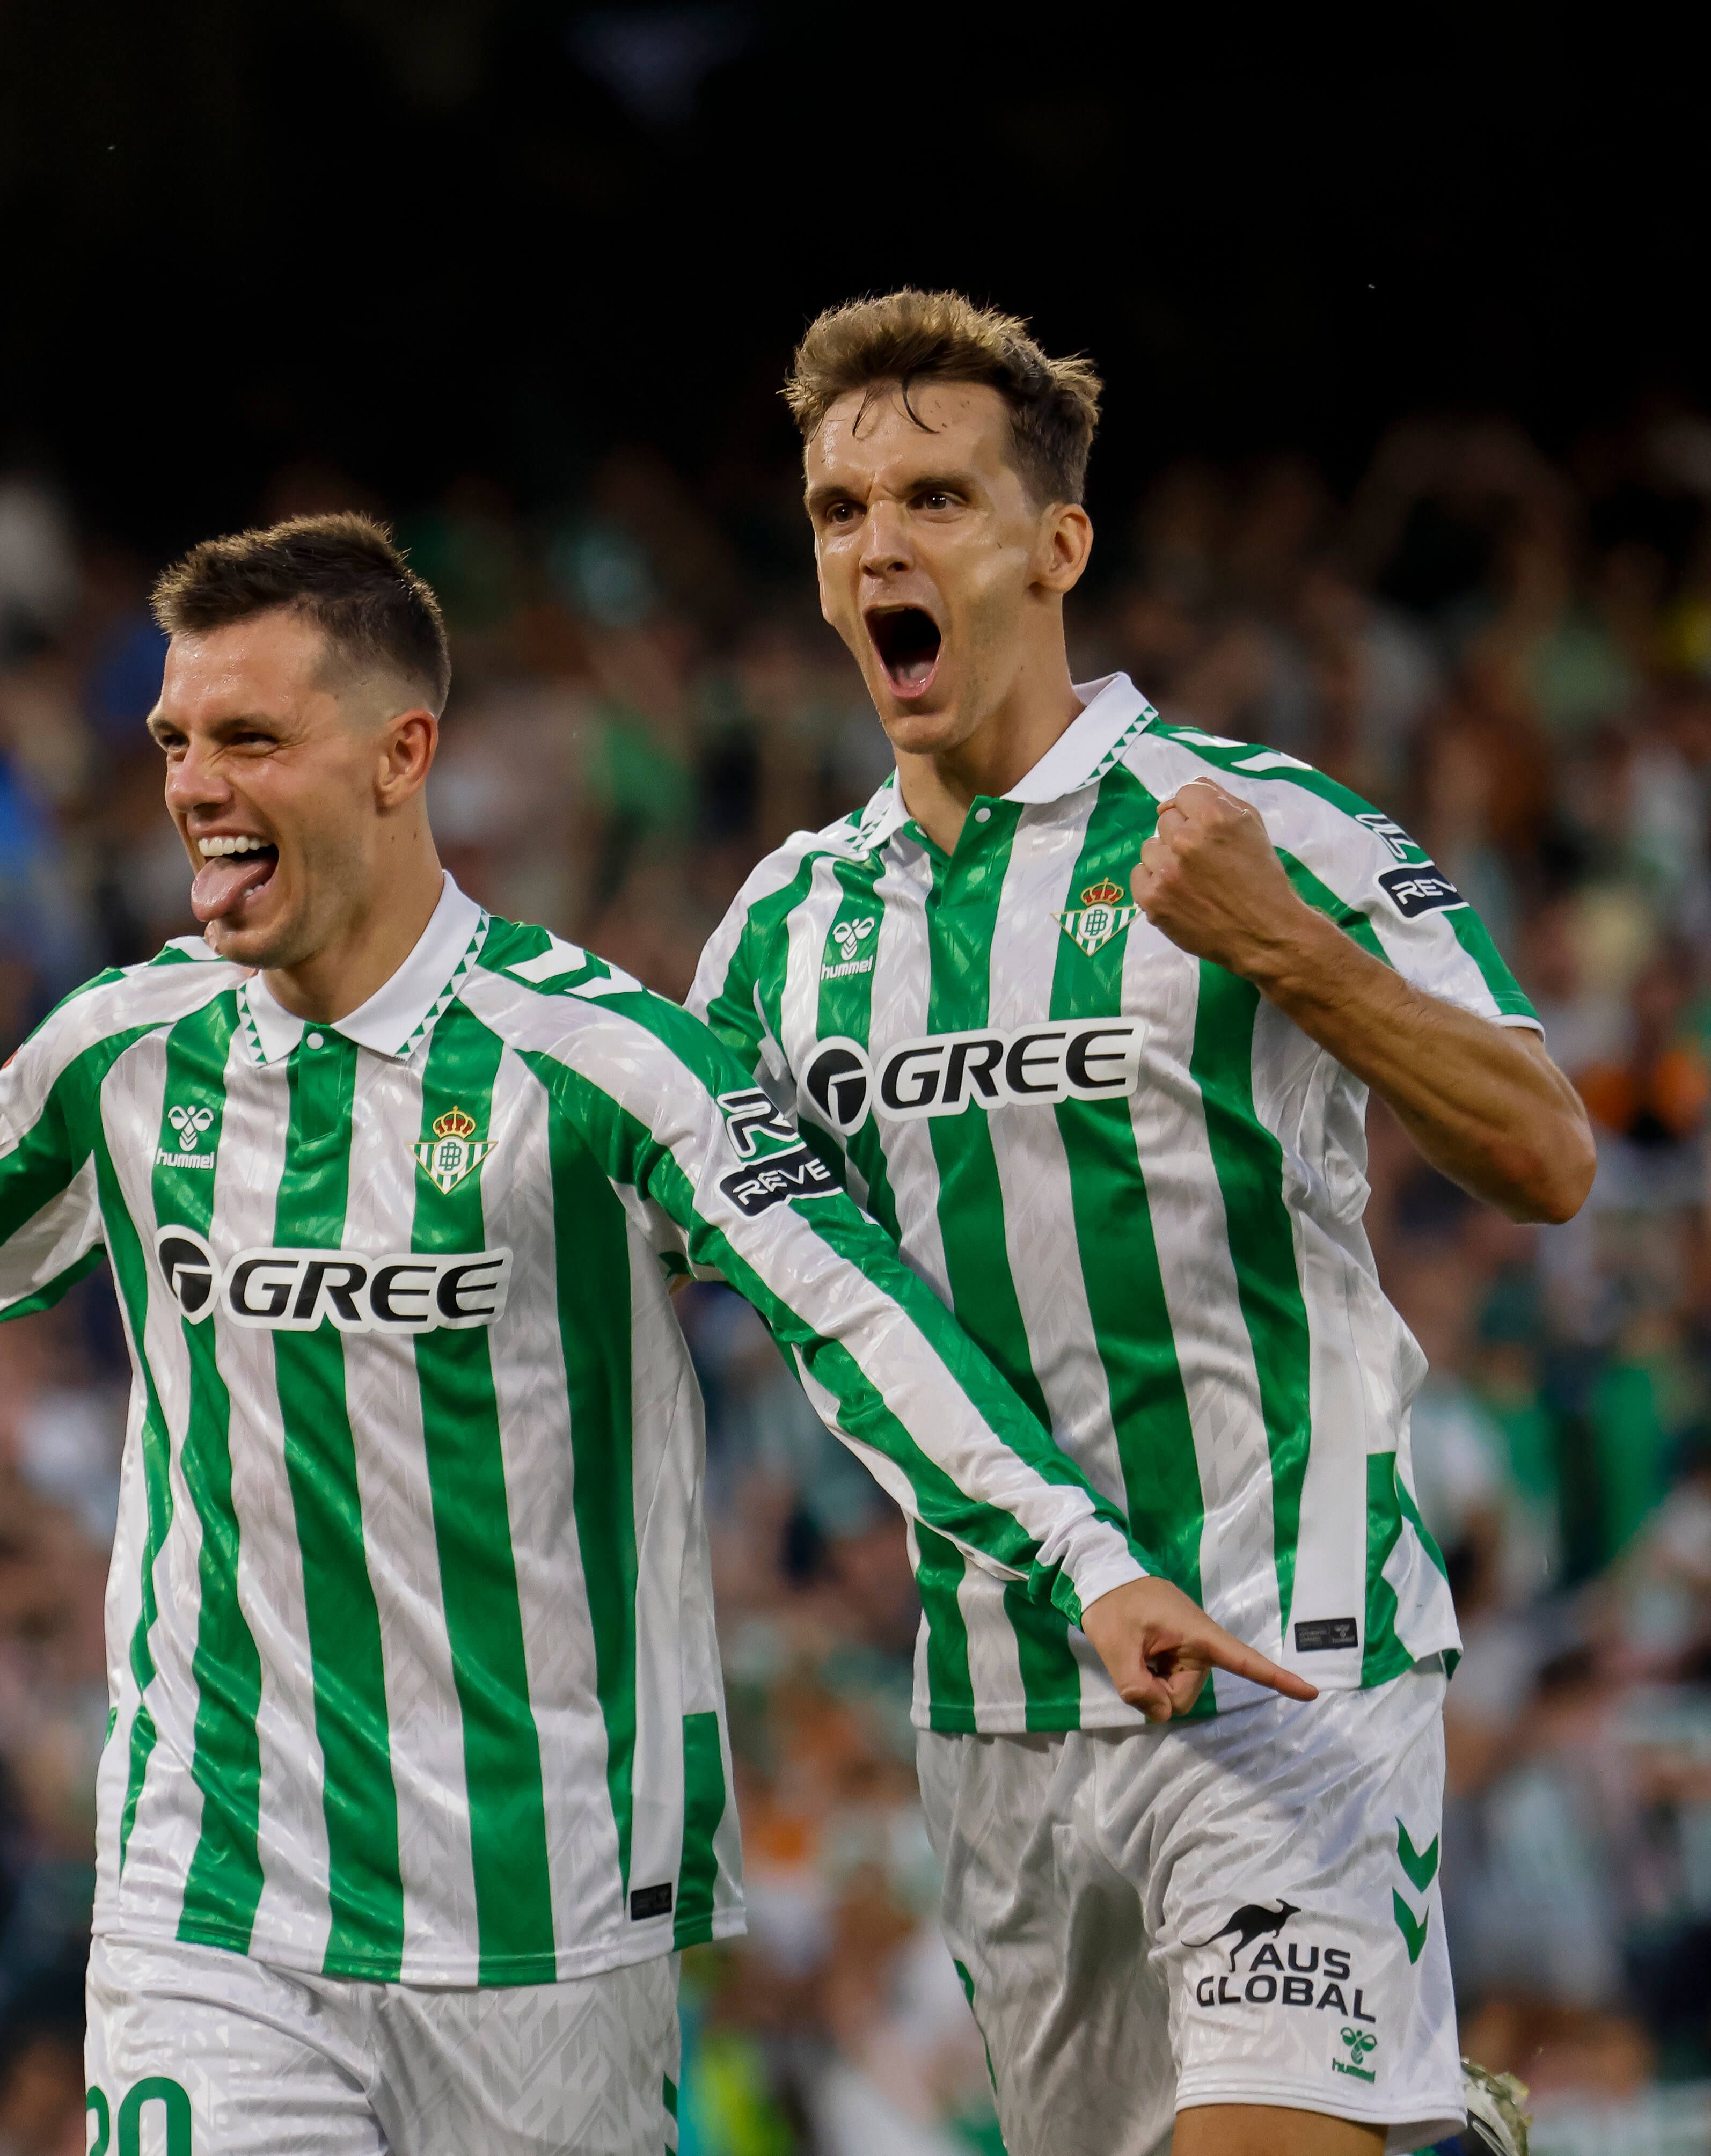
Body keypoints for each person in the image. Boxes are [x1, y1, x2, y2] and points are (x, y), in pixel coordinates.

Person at [0, 515, 1299, 2155]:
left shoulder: (605, 1064)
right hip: (218, 1884)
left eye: (250, 739)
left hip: (549, 1907)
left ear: (398, 755)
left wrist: (1079, 1560)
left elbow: (851, 1309)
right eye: (176, 739)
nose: (192, 785)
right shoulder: (129, 1053)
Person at [686, 290, 1593, 2156]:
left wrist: (1291, 952)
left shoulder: (1266, 823)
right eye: (841, 511)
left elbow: (1546, 1150)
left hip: (1287, 1643)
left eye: (935, 497)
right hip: (997, 1702)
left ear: (1058, 545)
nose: (877, 545)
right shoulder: (777, 932)